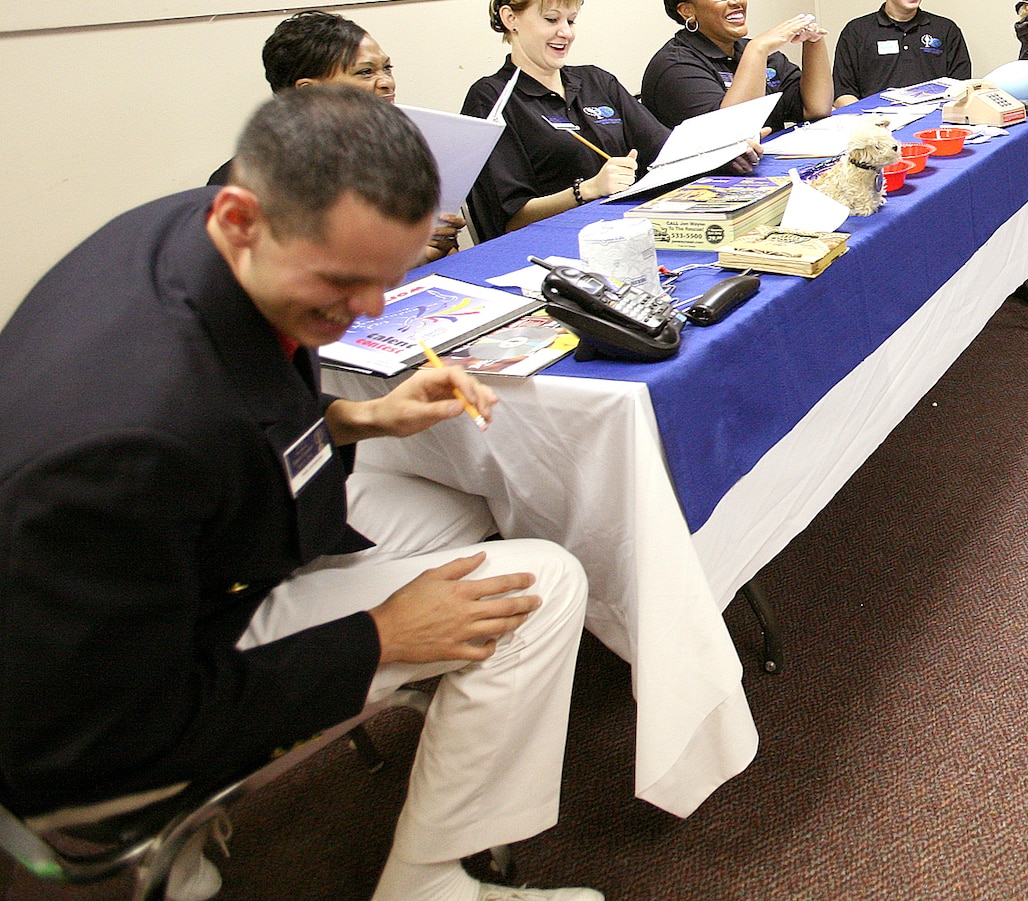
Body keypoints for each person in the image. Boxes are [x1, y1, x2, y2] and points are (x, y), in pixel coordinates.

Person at [0, 87, 601, 901]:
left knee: (470, 501)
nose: (369, 310)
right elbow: (103, 732)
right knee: (540, 585)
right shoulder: (122, 442)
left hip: (178, 574)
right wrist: (380, 637)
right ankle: (428, 888)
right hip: (87, 730)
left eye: (387, 279)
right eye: (344, 284)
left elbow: (233, 408)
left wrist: (355, 417)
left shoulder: (201, 224)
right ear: (242, 221)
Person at [211, 10, 463, 261]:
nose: (387, 82)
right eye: (365, 72)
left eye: (387, 68)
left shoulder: (393, 155)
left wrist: (437, 240)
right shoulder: (249, 181)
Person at [461, 0, 669, 243]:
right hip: (551, 248)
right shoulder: (491, 99)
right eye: (551, 19)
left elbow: (668, 150)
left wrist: (728, 143)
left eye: (571, 20)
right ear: (511, 19)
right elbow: (510, 219)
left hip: (629, 232)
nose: (566, 33)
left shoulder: (597, 81)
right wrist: (586, 190)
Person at [641, 0, 833, 128]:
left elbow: (815, 108)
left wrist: (813, 42)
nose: (736, 1)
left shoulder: (748, 50)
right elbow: (731, 131)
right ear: (687, 11)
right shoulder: (676, 66)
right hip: (716, 169)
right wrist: (758, 49)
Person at [829, 0, 972, 108]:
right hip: (875, 125)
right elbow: (842, 93)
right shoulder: (856, 32)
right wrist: (868, 123)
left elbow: (961, 89)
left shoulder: (946, 29)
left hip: (933, 124)